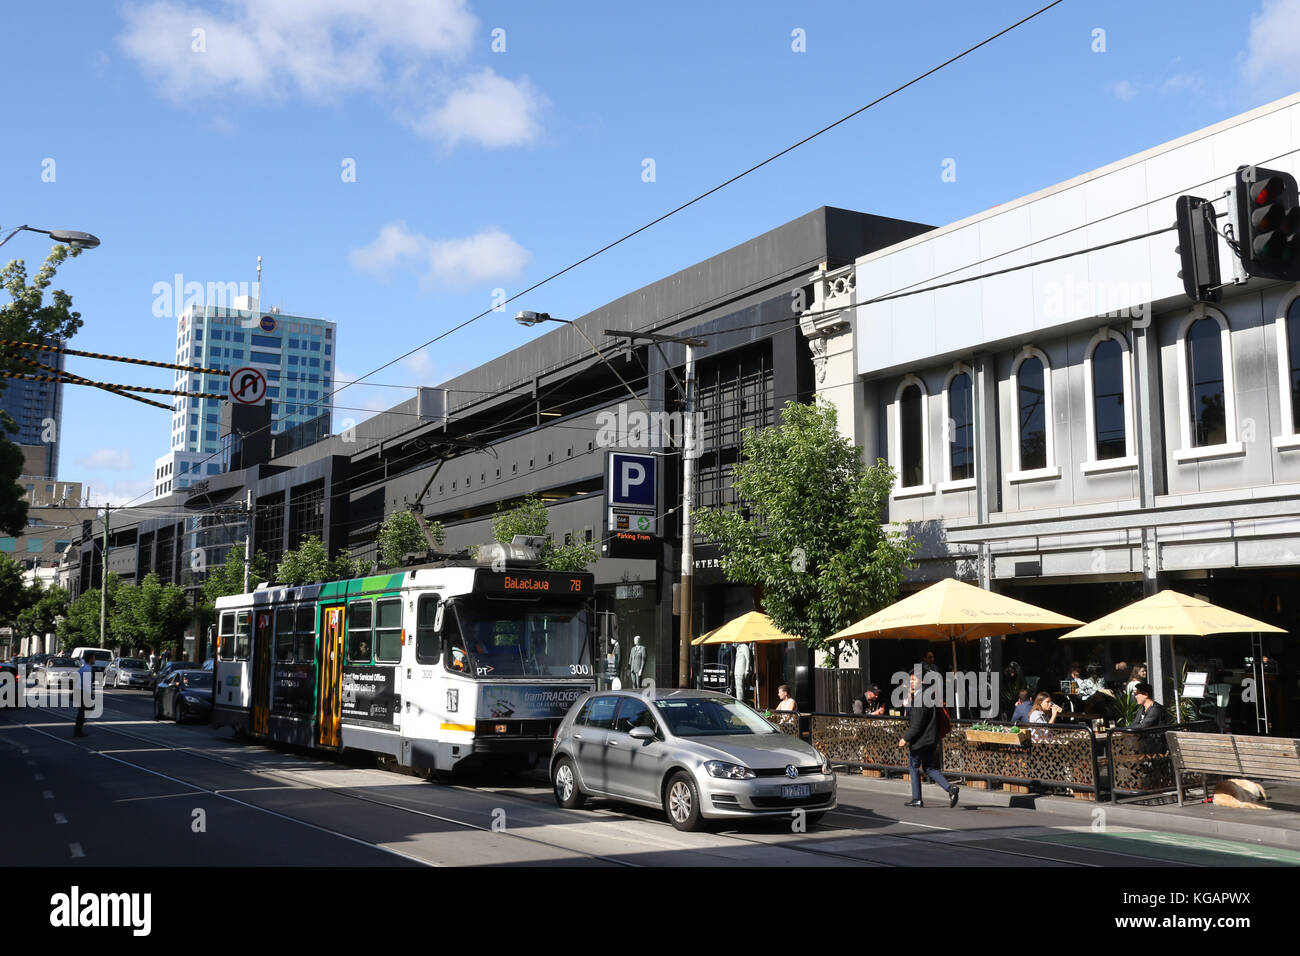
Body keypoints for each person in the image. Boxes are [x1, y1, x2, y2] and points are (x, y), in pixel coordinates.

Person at [898, 671, 959, 808]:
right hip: (931, 739)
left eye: (914, 680)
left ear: (922, 681)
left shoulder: (921, 698)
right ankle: (950, 789)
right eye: (910, 680)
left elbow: (917, 724)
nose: (912, 682)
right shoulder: (927, 695)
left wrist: (905, 738)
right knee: (928, 767)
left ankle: (917, 799)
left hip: (921, 741)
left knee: (913, 766)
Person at [73, 656, 92, 737]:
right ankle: (78, 730)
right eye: (94, 658)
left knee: (82, 711)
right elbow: (86, 682)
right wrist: (90, 691)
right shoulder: (87, 669)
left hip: (79, 690)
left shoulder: (83, 668)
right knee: (86, 710)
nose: (95, 660)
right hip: (83, 691)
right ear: (90, 659)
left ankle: (78, 730)